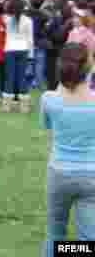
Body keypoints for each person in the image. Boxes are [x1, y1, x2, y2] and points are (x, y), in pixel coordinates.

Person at [43, 42, 95, 256]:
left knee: (55, 233)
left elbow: (48, 126)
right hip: (91, 174)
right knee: (88, 239)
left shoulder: (49, 100)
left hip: (59, 172)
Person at [1, 0, 34, 113]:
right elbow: (30, 39)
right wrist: (31, 55)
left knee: (9, 77)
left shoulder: (6, 19)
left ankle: (6, 105)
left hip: (10, 49)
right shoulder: (28, 21)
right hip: (23, 49)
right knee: (22, 77)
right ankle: (24, 106)